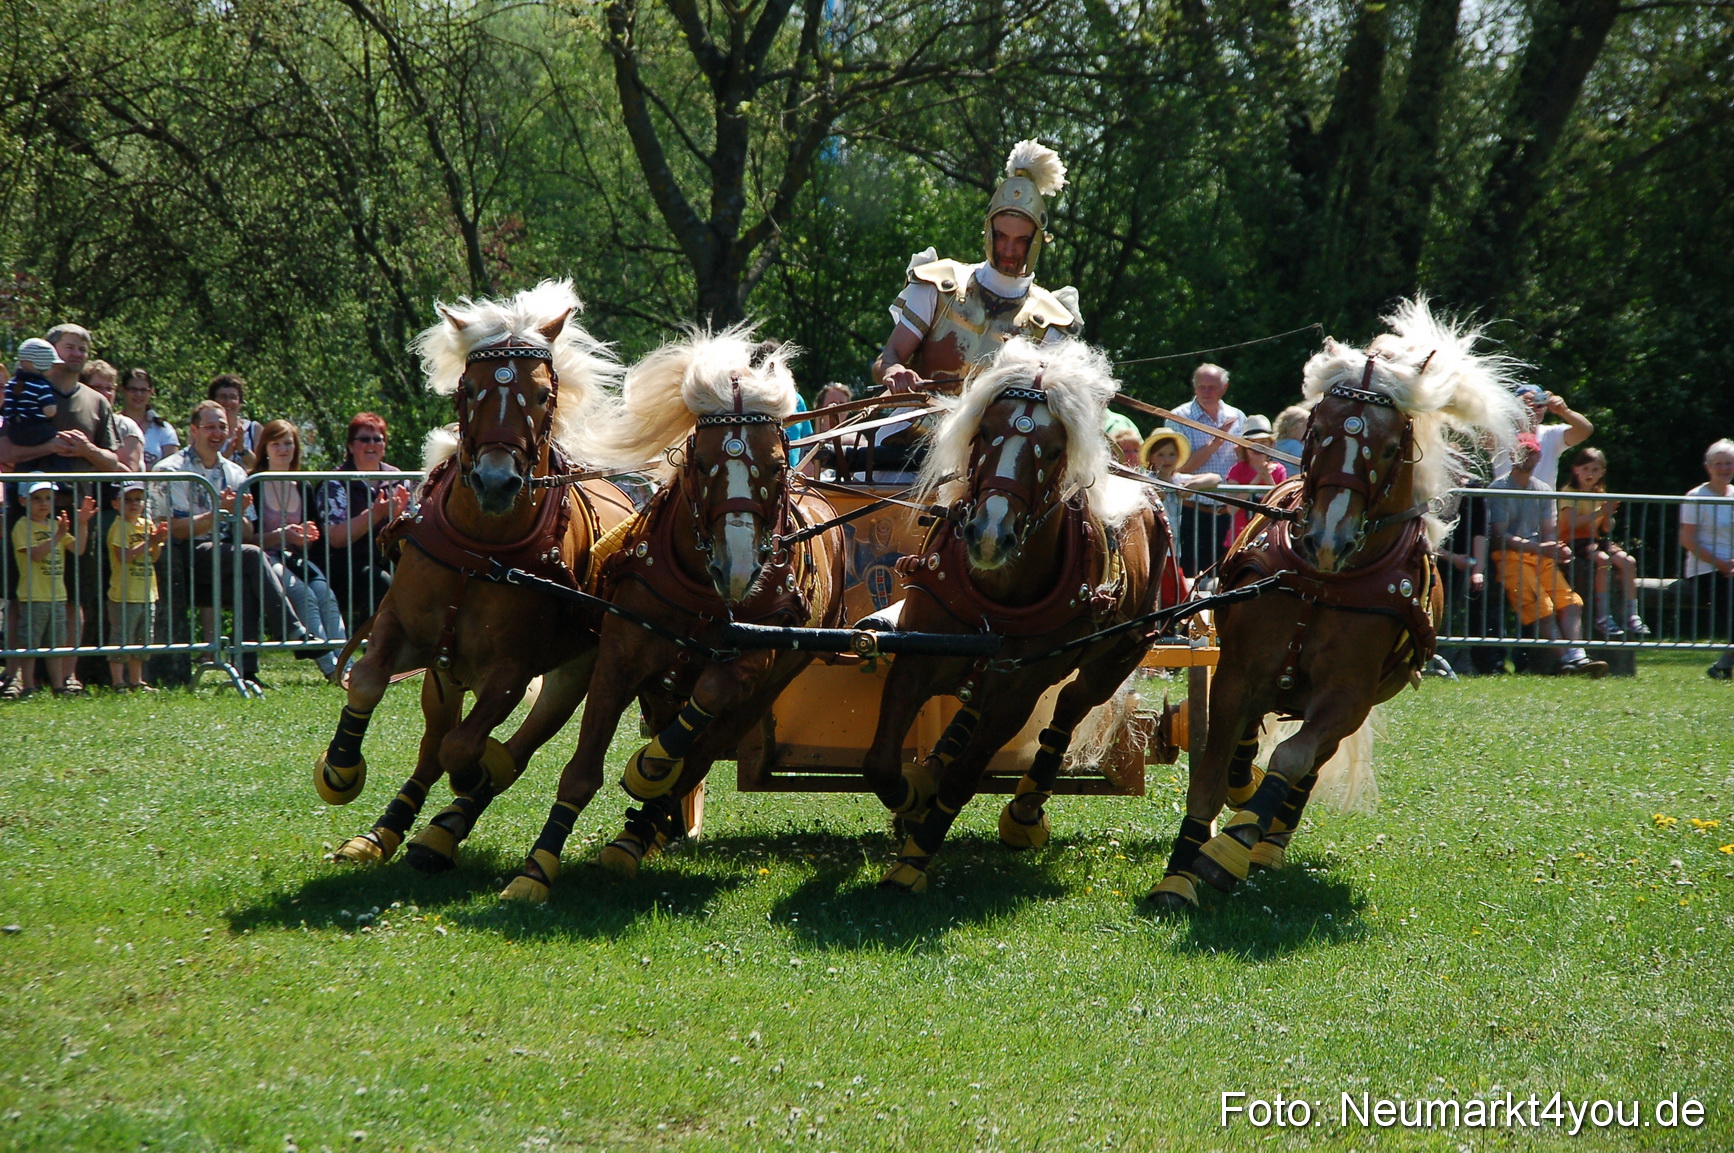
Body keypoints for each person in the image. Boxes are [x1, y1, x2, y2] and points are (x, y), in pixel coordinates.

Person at [865, 141, 1081, 477]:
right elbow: (888, 356)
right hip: (908, 447)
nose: (1009, 249)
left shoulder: (1051, 320)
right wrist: (893, 371)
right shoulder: (939, 284)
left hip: (994, 465)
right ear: (988, 233)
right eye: (1001, 236)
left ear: (1037, 241)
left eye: (1021, 240)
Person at [151, 400, 311, 692]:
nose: (217, 432)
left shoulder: (236, 473)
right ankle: (290, 628)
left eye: (222, 426)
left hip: (224, 553)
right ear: (193, 430)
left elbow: (247, 530)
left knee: (247, 573)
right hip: (181, 556)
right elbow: (170, 529)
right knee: (250, 557)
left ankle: (246, 671)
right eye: (210, 426)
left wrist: (238, 513)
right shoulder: (172, 469)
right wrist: (216, 511)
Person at [1486, 432, 1607, 677]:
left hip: (1540, 557)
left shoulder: (1542, 489)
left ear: (1539, 455)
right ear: (1512, 455)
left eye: (1531, 452)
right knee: (1542, 605)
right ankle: (1567, 661)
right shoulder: (1498, 487)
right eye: (1522, 451)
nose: (1527, 456)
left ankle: (1578, 657)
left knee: (1571, 602)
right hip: (1508, 557)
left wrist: (1559, 548)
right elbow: (1499, 536)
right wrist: (1539, 548)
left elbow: (1549, 531)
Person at [250, 419, 346, 679]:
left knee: (325, 595)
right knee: (304, 595)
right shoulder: (254, 484)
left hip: (296, 559)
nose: (283, 449)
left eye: (288, 443)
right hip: (266, 559)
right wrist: (281, 534)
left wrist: (306, 536)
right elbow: (248, 538)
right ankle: (331, 668)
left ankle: (346, 665)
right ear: (265, 448)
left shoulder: (302, 485)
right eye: (276, 443)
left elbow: (313, 535)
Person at [314, 412, 411, 627]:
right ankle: (375, 647)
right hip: (346, 564)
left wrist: (398, 518)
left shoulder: (397, 477)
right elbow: (336, 538)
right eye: (364, 439)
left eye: (378, 439)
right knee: (379, 582)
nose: (372, 444)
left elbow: (413, 526)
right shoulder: (336, 482)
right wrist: (374, 514)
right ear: (350, 446)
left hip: (389, 558)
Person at [4, 481, 95, 697]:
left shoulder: (56, 525)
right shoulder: (22, 526)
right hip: (33, 596)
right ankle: (28, 686)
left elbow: (78, 548)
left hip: (58, 596)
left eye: (48, 498)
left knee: (56, 645)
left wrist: (82, 523)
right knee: (30, 646)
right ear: (23, 501)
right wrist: (57, 535)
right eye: (37, 498)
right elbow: (35, 554)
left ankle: (58, 686)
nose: (43, 503)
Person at [1557, 447, 1647, 638]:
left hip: (1594, 539)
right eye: (1586, 468)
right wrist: (1601, 512)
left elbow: (1605, 528)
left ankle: (1632, 614)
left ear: (1602, 472)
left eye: (1595, 469)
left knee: (1628, 562)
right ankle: (1603, 615)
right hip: (1574, 540)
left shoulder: (1600, 492)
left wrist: (1608, 515)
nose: (1590, 474)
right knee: (1603, 561)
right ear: (1576, 470)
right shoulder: (1569, 492)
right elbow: (1570, 524)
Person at [1165, 363, 1245, 576]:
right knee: (1190, 577)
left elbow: (1243, 463)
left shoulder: (1237, 416)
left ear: (1225, 388)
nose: (1206, 392)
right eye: (1201, 386)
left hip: (1229, 512)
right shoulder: (1178, 418)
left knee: (1228, 576)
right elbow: (1178, 467)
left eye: (1212, 387)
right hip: (1192, 511)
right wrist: (1217, 441)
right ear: (1194, 388)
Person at [1678, 438, 1734, 678]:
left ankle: (1722, 666)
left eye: (1729, 463)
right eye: (1718, 463)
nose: (1724, 468)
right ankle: (1722, 666)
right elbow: (1687, 539)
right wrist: (1721, 564)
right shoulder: (1695, 496)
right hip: (1705, 569)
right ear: (1708, 466)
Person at [105, 480, 167, 691]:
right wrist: (150, 542)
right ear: (116, 504)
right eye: (128, 499)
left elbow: (155, 556)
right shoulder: (119, 526)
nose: (134, 504)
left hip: (147, 592)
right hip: (124, 594)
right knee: (121, 639)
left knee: (142, 641)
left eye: (138, 499)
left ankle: (136, 681)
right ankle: (117, 681)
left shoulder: (147, 524)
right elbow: (124, 556)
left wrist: (157, 541)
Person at [1495, 383, 1592, 487]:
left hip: (1542, 502)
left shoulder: (1551, 434)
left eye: (1539, 403)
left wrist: (1564, 411)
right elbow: (1480, 429)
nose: (1533, 408)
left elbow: (1585, 430)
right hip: (1506, 501)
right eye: (1525, 404)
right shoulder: (1501, 435)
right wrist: (1509, 409)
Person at [1138, 426, 1221, 538]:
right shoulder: (1147, 479)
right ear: (1151, 458)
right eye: (1160, 454)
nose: (1167, 459)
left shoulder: (1177, 479)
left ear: (1178, 457)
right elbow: (1142, 487)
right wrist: (1153, 493)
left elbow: (1215, 478)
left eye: (1172, 454)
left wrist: (1195, 485)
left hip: (1173, 542)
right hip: (1153, 539)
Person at [1223, 415, 1287, 547]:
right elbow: (1231, 509)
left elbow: (1282, 504)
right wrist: (1257, 479)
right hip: (1239, 537)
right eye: (1253, 442)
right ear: (1245, 447)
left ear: (1271, 444)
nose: (1258, 447)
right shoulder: (1236, 470)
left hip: (1269, 537)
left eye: (1263, 442)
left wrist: (1268, 479)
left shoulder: (1279, 470)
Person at [81, 361, 144, 471]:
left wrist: (89, 452)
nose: (106, 393)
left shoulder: (125, 426)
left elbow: (129, 475)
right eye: (97, 387)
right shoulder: (76, 421)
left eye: (109, 388)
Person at [2, 338, 62, 448]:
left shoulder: (12, 383)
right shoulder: (41, 385)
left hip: (14, 430)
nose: (53, 369)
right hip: (36, 429)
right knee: (61, 443)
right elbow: (49, 411)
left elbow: (9, 405)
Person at [117, 369, 179, 469]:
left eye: (143, 390)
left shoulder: (163, 429)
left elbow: (172, 467)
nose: (138, 394)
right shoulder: (112, 423)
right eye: (133, 389)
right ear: (122, 390)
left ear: (151, 391)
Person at [207, 374, 261, 470]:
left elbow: (262, 468)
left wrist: (242, 450)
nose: (228, 402)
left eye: (233, 397)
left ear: (240, 403)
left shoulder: (254, 429)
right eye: (222, 397)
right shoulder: (203, 430)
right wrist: (226, 454)